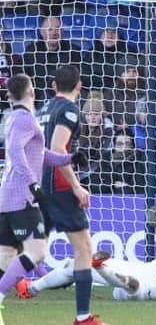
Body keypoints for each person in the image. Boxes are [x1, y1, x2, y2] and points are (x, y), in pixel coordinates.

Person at [17, 177, 156, 301]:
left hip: (153, 290)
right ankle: (31, 289)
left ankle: (103, 268)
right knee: (73, 264)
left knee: (133, 287)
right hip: (142, 270)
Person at [0, 74, 83, 323]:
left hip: (8, 196)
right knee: (36, 251)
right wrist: (33, 184)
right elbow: (15, 151)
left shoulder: (16, 119)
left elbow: (40, 153)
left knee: (6, 256)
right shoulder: (25, 120)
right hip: (21, 197)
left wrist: (69, 159)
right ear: (32, 93)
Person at [38, 65, 105, 325]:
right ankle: (83, 317)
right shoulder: (69, 109)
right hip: (60, 187)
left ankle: (22, 287)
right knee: (84, 249)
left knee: (28, 250)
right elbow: (57, 148)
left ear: (54, 86)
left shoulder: (44, 108)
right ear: (80, 85)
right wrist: (76, 185)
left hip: (41, 185)